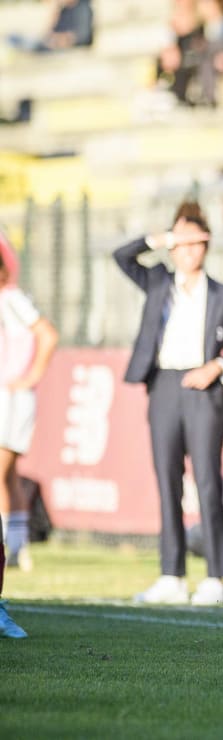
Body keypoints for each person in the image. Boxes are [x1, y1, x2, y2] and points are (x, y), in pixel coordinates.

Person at [113, 201, 223, 606]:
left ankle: (215, 577)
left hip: (203, 388)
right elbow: (121, 255)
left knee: (207, 480)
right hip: (164, 385)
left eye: (195, 243)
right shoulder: (157, 283)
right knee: (167, 480)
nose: (188, 251)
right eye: (181, 243)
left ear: (206, 246)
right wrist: (165, 237)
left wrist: (216, 367)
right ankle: (171, 573)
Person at [0, 236, 58, 637]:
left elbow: (48, 335)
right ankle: (18, 549)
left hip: (11, 397)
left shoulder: (12, 297)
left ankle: (13, 548)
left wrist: (33, 375)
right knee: (9, 477)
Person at [6, 0, 93, 54]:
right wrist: (55, 9)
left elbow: (83, 38)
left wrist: (56, 41)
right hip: (49, 41)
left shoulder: (82, 8)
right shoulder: (63, 9)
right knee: (13, 37)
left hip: (57, 45)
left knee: (33, 44)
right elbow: (48, 31)